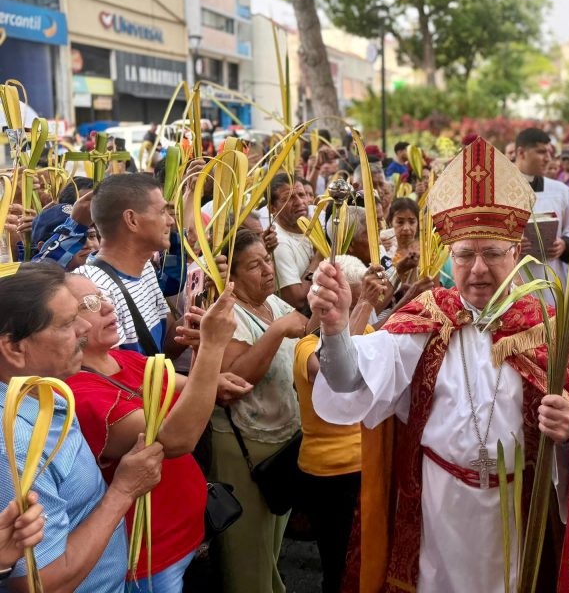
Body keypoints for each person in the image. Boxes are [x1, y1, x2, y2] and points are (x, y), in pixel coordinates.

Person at [311, 137, 569, 593]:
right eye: (465, 254)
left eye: (491, 253)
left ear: (516, 254)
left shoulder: (545, 326)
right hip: (439, 505)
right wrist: (335, 330)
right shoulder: (425, 320)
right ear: (451, 258)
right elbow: (348, 379)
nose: (477, 268)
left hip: (516, 509)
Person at [65, 274, 240, 593]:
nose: (107, 305)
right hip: (151, 556)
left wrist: (202, 348)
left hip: (190, 531)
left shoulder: (120, 359)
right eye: (89, 304)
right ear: (61, 323)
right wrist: (214, 346)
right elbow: (176, 439)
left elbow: (192, 392)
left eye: (103, 296)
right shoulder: (80, 394)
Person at [0, 263, 164, 592]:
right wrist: (123, 492)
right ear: (15, 348)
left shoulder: (46, 391)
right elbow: (40, 583)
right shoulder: (14, 445)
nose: (84, 327)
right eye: (66, 324)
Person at [208, 230, 309, 593]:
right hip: (245, 446)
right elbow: (234, 382)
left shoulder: (273, 304)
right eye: (255, 265)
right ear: (230, 278)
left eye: (267, 259)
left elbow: (309, 338)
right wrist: (278, 331)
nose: (268, 269)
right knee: (246, 553)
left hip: (282, 441)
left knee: (269, 545)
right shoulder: (228, 314)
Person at [291, 266, 391, 593]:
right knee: (338, 563)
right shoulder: (306, 346)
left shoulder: (368, 332)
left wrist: (415, 288)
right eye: (342, 298)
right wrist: (358, 306)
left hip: (366, 466)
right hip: (329, 474)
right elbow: (335, 374)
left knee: (367, 560)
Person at [74, 174, 183, 358]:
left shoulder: (146, 268)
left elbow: (163, 349)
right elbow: (119, 375)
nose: (170, 221)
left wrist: (198, 321)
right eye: (162, 212)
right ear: (132, 220)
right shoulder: (95, 289)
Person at [514, 127, 569, 287]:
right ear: (521, 153)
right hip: (514, 283)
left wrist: (564, 244)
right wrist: (512, 242)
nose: (548, 158)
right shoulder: (499, 192)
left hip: (551, 280)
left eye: (549, 152)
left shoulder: (561, 191)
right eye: (541, 152)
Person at [267, 173, 319, 311]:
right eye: (289, 198)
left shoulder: (310, 230)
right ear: (272, 208)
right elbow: (297, 301)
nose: (299, 202)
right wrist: (318, 260)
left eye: (301, 195)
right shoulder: (278, 243)